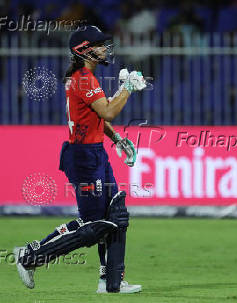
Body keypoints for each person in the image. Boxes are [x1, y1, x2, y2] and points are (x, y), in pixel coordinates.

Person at [14, 25, 146, 294]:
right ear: (84, 50)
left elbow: (97, 117)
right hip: (84, 157)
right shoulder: (83, 79)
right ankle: (30, 257)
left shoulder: (84, 77)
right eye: (99, 45)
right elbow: (108, 112)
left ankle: (111, 282)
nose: (104, 49)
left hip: (94, 153)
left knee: (116, 214)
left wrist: (117, 139)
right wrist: (128, 88)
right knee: (95, 225)